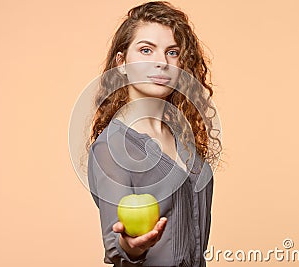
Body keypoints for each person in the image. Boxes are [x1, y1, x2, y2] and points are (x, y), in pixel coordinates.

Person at [86, 1, 222, 266]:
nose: (161, 62)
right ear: (122, 62)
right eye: (146, 50)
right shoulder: (112, 148)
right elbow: (117, 247)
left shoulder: (185, 138)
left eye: (172, 52)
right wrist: (132, 245)